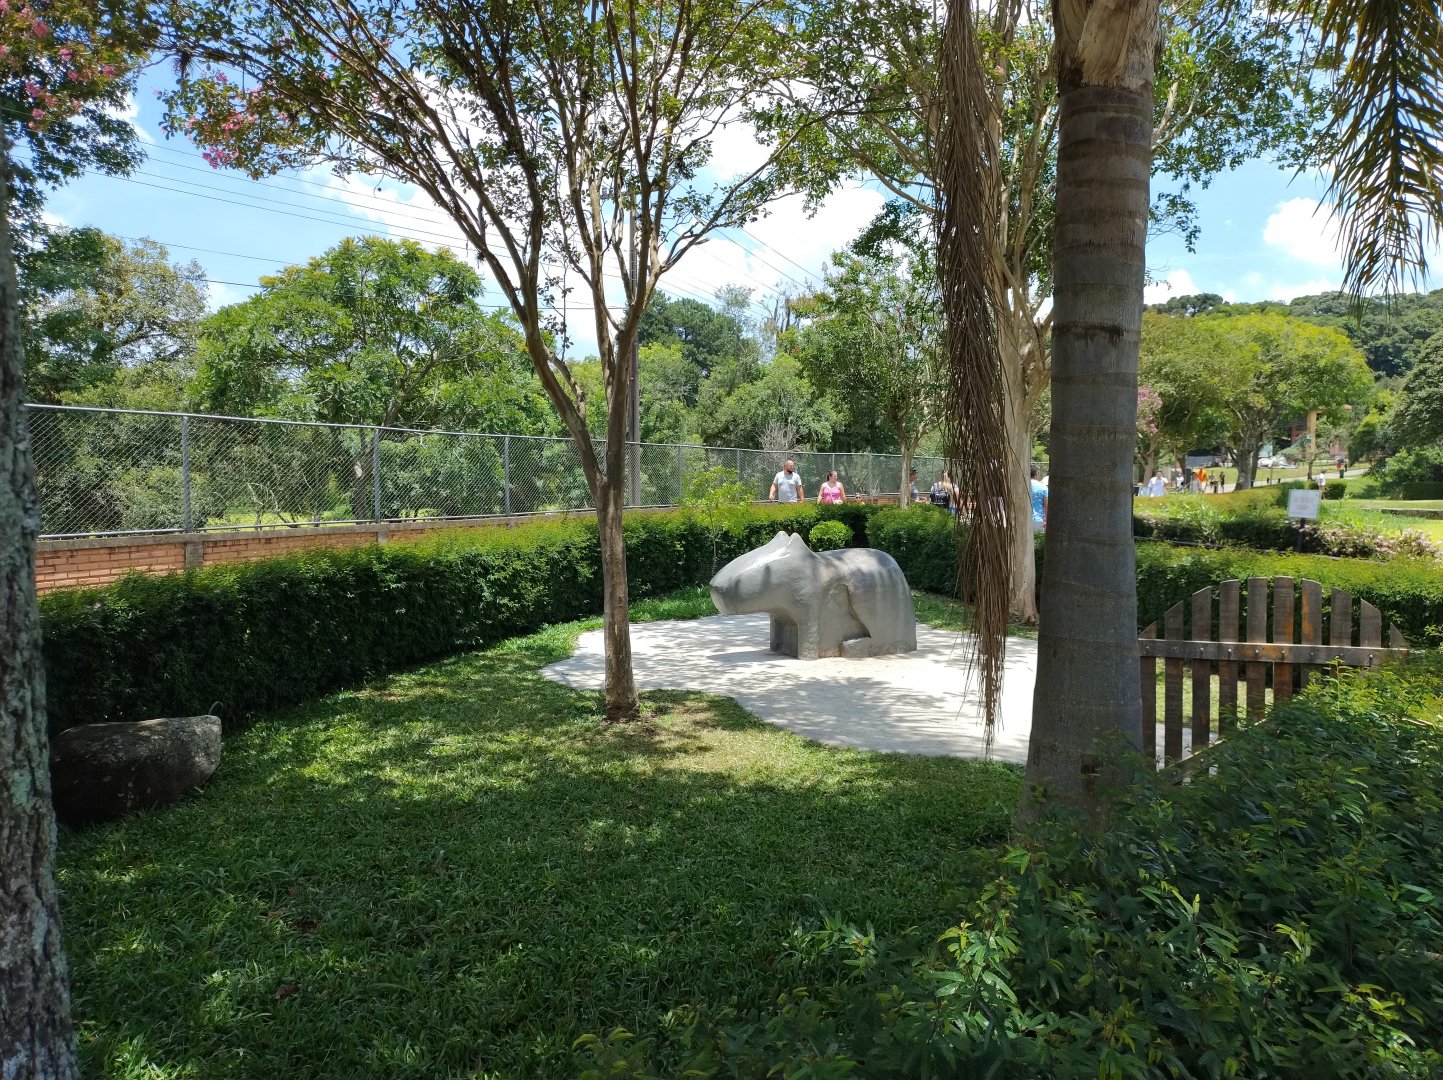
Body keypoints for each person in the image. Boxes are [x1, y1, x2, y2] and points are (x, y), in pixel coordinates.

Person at [1029, 464, 1047, 531]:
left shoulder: (1022, 487)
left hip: (1023, 518)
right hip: (1038, 520)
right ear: (1037, 473)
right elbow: (1046, 506)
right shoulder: (1043, 487)